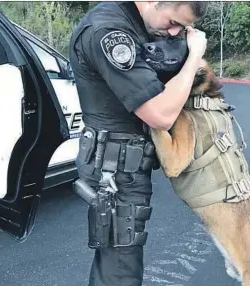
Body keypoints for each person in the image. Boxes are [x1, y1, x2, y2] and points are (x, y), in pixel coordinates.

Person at [68, 2, 208, 286]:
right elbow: (160, 114)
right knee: (121, 272)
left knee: (115, 265)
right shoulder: (108, 31)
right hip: (115, 171)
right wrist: (195, 57)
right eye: (172, 22)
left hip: (124, 165)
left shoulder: (140, 22)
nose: (173, 32)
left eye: (181, 27)